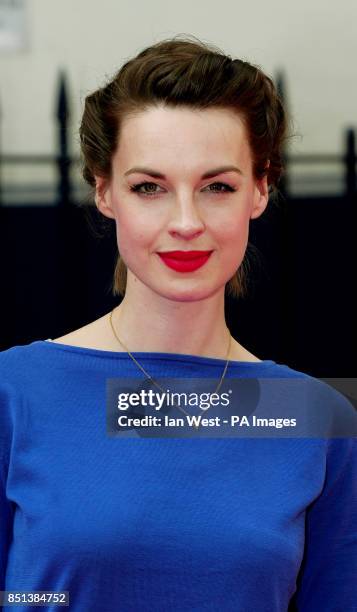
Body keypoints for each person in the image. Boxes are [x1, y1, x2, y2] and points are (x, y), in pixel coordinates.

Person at [0, 34, 356, 612]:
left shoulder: (317, 419)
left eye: (217, 186)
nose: (186, 221)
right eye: (150, 188)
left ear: (260, 189)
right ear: (104, 191)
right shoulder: (14, 394)